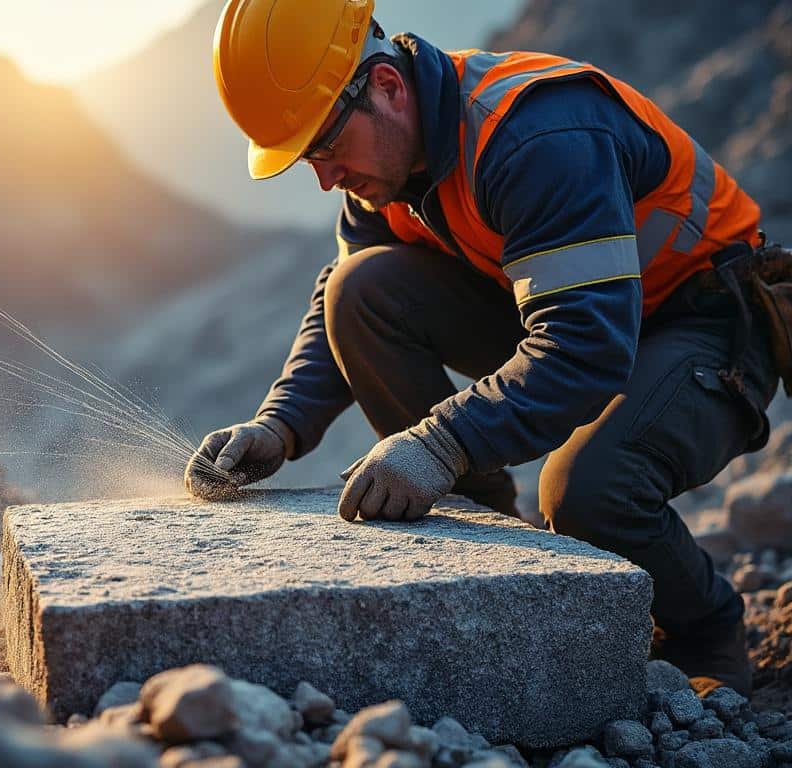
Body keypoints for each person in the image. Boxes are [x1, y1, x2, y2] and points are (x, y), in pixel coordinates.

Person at [185, 0, 787, 697]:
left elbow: (585, 348)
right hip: (580, 311)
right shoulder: (387, 167)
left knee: (586, 492)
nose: (324, 178)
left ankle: (708, 631)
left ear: (387, 86)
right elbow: (344, 304)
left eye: (323, 146)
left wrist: (439, 443)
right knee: (358, 288)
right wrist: (280, 425)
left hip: (706, 323)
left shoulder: (535, 137)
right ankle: (501, 552)